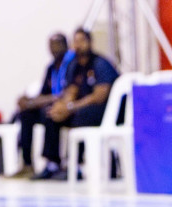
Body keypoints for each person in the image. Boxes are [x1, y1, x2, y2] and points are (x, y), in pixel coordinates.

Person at [35, 28, 118, 180]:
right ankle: (52, 164)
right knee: (51, 114)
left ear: (90, 42)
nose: (78, 45)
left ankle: (77, 166)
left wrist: (71, 107)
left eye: (82, 41)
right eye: (76, 41)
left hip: (104, 110)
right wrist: (62, 106)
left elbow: (99, 96)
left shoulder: (100, 63)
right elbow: (71, 91)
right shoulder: (74, 66)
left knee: (80, 116)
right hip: (80, 106)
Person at [9, 32, 70, 178]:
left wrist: (38, 101)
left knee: (49, 112)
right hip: (51, 104)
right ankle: (27, 163)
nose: (54, 49)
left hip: (67, 108)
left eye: (57, 45)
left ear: (65, 46)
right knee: (25, 114)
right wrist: (29, 100)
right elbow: (44, 93)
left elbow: (67, 93)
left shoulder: (72, 64)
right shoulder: (51, 68)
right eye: (51, 46)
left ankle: (53, 163)